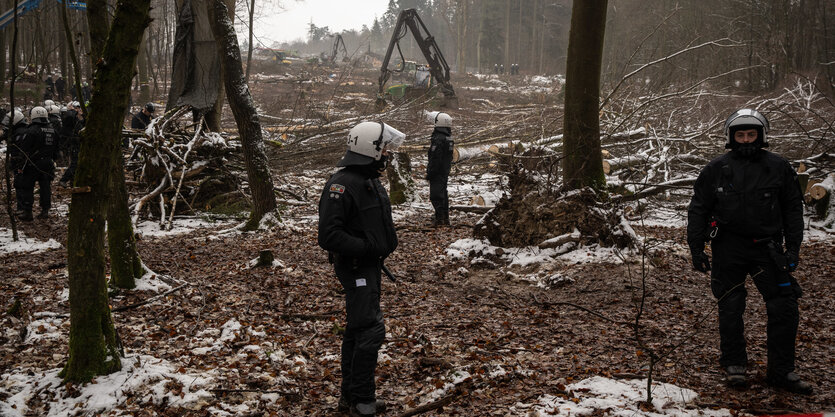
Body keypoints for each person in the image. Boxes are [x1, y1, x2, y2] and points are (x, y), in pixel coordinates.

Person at [687, 109, 811, 394]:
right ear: (731, 137)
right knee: (730, 306)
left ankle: (781, 371)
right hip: (728, 247)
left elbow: (793, 209)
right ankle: (734, 365)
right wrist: (696, 247)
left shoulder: (779, 167)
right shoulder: (715, 169)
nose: (745, 140)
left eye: (751, 134)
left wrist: (793, 249)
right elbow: (698, 209)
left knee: (784, 306)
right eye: (740, 135)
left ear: (761, 136)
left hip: (767, 248)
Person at [318, 121, 403, 417]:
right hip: (356, 267)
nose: (388, 154)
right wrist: (366, 248)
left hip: (368, 266)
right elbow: (328, 235)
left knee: (358, 329)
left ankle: (350, 398)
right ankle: (362, 400)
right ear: (371, 149)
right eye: (385, 148)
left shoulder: (368, 178)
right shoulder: (342, 183)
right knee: (370, 329)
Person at [15, 107, 58, 220]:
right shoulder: (53, 130)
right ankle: (45, 211)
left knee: (27, 186)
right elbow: (57, 149)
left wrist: (20, 165)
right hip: (48, 163)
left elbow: (24, 150)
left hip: (32, 164)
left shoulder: (30, 131)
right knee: (45, 187)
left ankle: (27, 212)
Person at [426, 112, 453, 226]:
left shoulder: (438, 139)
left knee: (436, 195)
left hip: (437, 171)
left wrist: (430, 172)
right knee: (443, 193)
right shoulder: (448, 137)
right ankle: (445, 218)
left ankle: (439, 220)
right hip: (444, 170)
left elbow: (435, 158)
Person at [2, 109, 29, 214]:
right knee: (19, 184)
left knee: (20, 184)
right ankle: (21, 207)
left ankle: (22, 208)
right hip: (17, 161)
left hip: (20, 162)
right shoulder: (15, 131)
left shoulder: (21, 132)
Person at [59, 102, 84, 187]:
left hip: (77, 143)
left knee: (77, 164)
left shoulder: (77, 120)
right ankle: (64, 179)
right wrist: (74, 111)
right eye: (77, 108)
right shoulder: (69, 116)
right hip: (72, 144)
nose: (79, 109)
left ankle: (73, 182)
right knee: (75, 163)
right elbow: (69, 117)